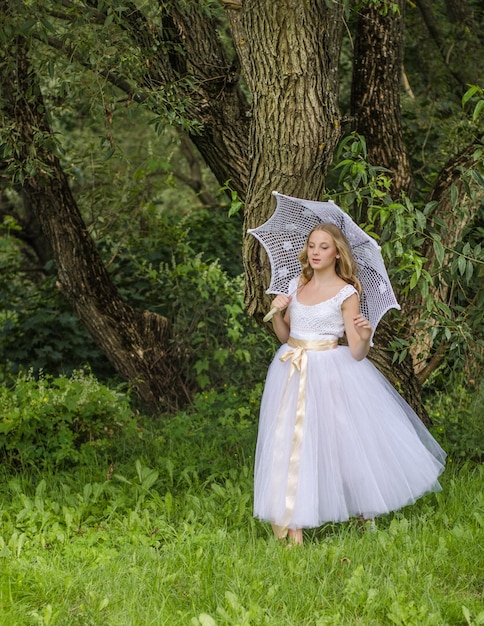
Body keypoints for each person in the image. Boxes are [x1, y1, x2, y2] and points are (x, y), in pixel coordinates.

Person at [253, 223, 446, 545]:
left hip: (329, 370)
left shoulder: (347, 293)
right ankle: (293, 523)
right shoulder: (297, 283)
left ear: (337, 253)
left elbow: (357, 353)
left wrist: (366, 337)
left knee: (340, 442)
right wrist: (276, 312)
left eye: (323, 247)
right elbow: (286, 336)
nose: (315, 252)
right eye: (312, 245)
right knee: (289, 442)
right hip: (290, 368)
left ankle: (362, 509)